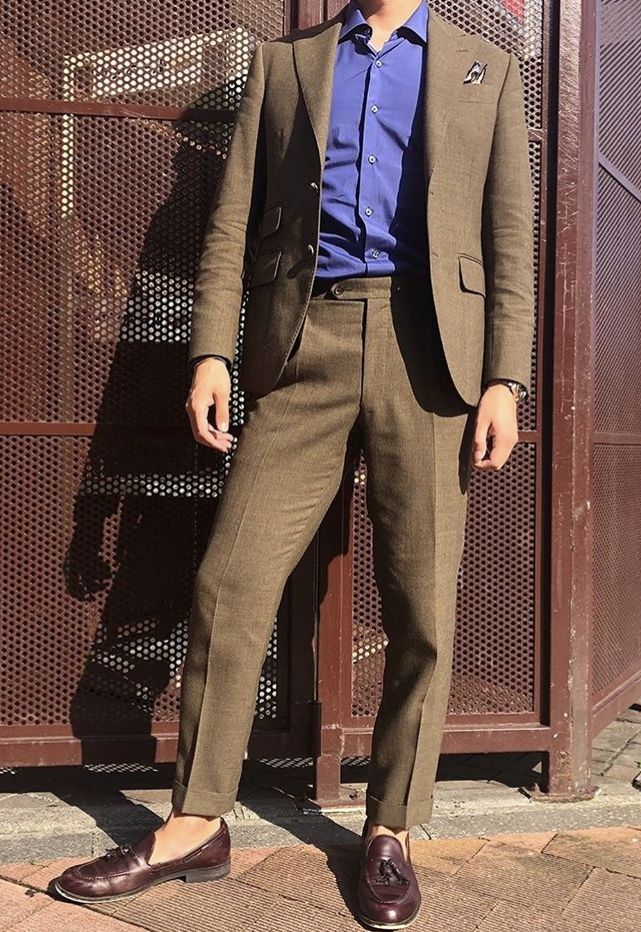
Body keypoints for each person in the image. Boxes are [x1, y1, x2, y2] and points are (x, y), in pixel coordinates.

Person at [54, 0, 534, 927]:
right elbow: (230, 221)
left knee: (421, 603)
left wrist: (504, 378)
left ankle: (389, 825)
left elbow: (507, 236)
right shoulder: (286, 66)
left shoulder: (486, 66)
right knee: (229, 582)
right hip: (301, 339)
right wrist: (210, 353)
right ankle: (197, 822)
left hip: (432, 355)